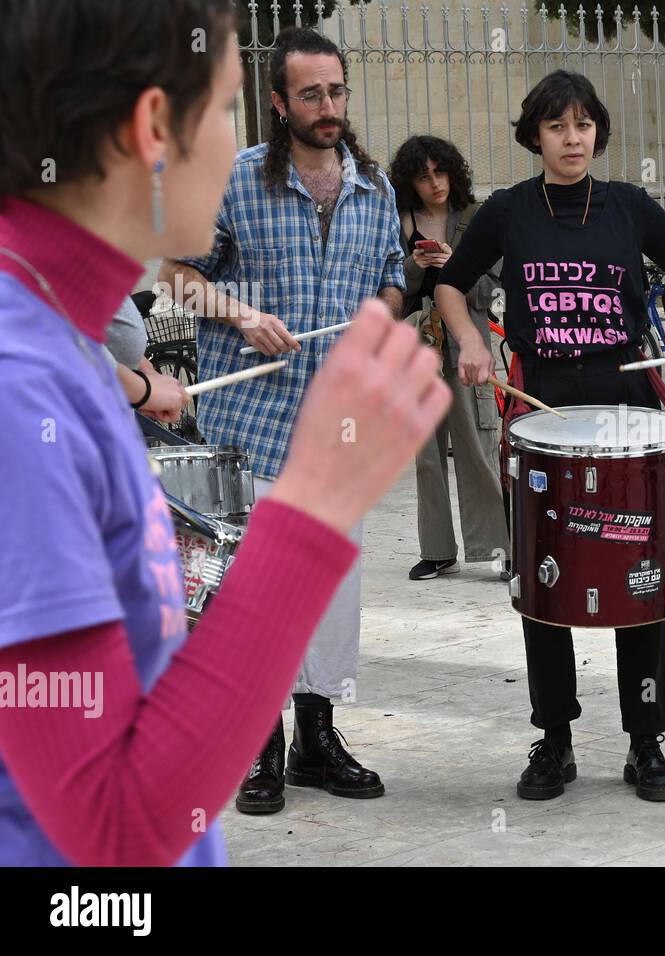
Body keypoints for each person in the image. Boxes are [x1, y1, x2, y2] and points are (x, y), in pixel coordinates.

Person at [0, 0, 449, 866]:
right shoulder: (25, 390)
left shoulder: (61, 342)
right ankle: (274, 754)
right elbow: (116, 830)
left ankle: (314, 735)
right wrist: (312, 510)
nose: (240, 144)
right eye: (228, 108)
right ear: (154, 127)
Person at [436, 70, 665, 802]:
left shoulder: (629, 206)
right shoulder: (506, 212)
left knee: (638, 571)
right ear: (535, 135)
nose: (573, 138)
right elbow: (448, 284)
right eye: (558, 126)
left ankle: (647, 742)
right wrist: (467, 338)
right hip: (543, 407)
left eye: (584, 124)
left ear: (598, 132)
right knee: (545, 571)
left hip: (626, 407)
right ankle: (553, 738)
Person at [161, 25, 407, 815]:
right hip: (251, 422)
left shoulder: (375, 186)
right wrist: (238, 314)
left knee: (330, 589)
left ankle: (317, 741)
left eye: (336, 91)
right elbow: (173, 274)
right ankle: (257, 745)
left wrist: (380, 318)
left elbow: (394, 279)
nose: (329, 106)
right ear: (278, 102)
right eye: (312, 94)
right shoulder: (232, 182)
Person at [389, 135, 508, 582]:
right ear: (409, 183)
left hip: (467, 341)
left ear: (453, 174)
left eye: (441, 173)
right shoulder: (400, 223)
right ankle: (437, 550)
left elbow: (493, 294)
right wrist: (418, 265)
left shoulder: (476, 219)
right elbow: (391, 292)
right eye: (423, 177)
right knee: (425, 450)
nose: (435, 184)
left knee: (478, 444)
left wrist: (457, 263)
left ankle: (498, 546)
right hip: (416, 344)